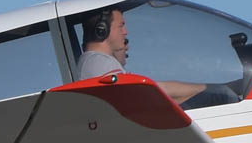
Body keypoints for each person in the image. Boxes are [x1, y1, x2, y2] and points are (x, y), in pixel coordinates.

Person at [76, 7, 207, 105]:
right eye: (121, 26)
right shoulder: (98, 62)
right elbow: (143, 96)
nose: (125, 31)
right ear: (102, 29)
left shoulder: (95, 62)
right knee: (219, 96)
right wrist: (205, 89)